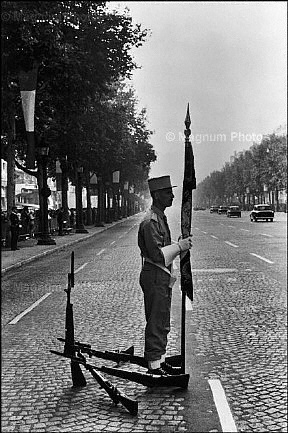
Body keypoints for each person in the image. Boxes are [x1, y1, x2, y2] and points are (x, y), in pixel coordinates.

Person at [138, 176, 193, 375]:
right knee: (156, 322)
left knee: (162, 321)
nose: (172, 195)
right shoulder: (151, 222)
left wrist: (178, 244)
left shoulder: (159, 217)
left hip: (160, 276)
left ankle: (159, 361)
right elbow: (157, 255)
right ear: (156, 195)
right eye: (168, 192)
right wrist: (179, 247)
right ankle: (153, 367)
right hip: (155, 274)